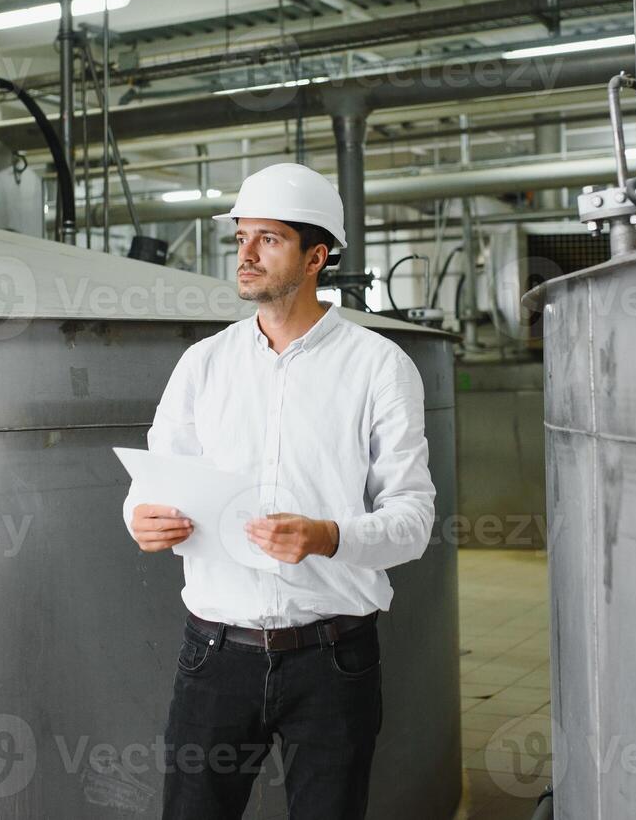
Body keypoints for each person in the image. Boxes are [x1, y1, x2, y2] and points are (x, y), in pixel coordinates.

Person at [123, 161, 437, 820]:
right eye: (241, 238)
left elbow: (414, 519)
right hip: (214, 657)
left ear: (316, 255)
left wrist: (330, 536)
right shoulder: (204, 364)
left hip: (333, 659)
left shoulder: (379, 368)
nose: (245, 254)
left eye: (268, 238)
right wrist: (139, 518)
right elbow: (155, 476)